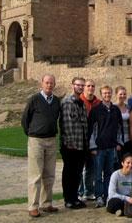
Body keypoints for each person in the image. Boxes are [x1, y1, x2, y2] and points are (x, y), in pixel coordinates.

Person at [21, 74, 61, 218]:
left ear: (54, 84)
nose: (49, 85)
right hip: (36, 140)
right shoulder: (34, 99)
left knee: (49, 174)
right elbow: (25, 119)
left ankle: (47, 203)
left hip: (51, 140)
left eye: (51, 83)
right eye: (47, 83)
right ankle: (33, 206)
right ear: (42, 84)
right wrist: (32, 133)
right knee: (35, 175)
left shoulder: (56, 101)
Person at [89, 85, 125, 208]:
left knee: (109, 173)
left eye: (109, 93)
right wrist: (92, 146)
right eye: (104, 93)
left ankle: (107, 195)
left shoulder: (115, 110)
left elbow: (120, 128)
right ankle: (99, 196)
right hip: (99, 148)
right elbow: (91, 130)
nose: (107, 95)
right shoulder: (96, 110)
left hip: (112, 147)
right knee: (98, 175)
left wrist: (120, 143)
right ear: (101, 94)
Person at [59, 77, 89, 210]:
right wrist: (69, 143)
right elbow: (66, 124)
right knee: (69, 172)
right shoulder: (67, 102)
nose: (80, 87)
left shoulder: (81, 103)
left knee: (77, 173)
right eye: (78, 85)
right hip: (71, 145)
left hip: (81, 144)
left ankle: (74, 198)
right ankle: (68, 199)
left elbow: (84, 124)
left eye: (82, 85)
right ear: (73, 86)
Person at [78, 79, 100, 201]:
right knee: (79, 168)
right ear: (84, 88)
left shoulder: (98, 103)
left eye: (92, 86)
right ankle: (79, 192)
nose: (90, 88)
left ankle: (89, 192)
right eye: (88, 86)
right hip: (80, 140)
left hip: (93, 141)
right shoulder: (79, 101)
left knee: (91, 168)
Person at [114, 86, 132, 166]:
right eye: (120, 94)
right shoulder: (113, 107)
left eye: (124, 94)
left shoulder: (128, 107)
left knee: (127, 163)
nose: (123, 96)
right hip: (118, 140)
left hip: (128, 140)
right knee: (118, 164)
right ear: (116, 94)